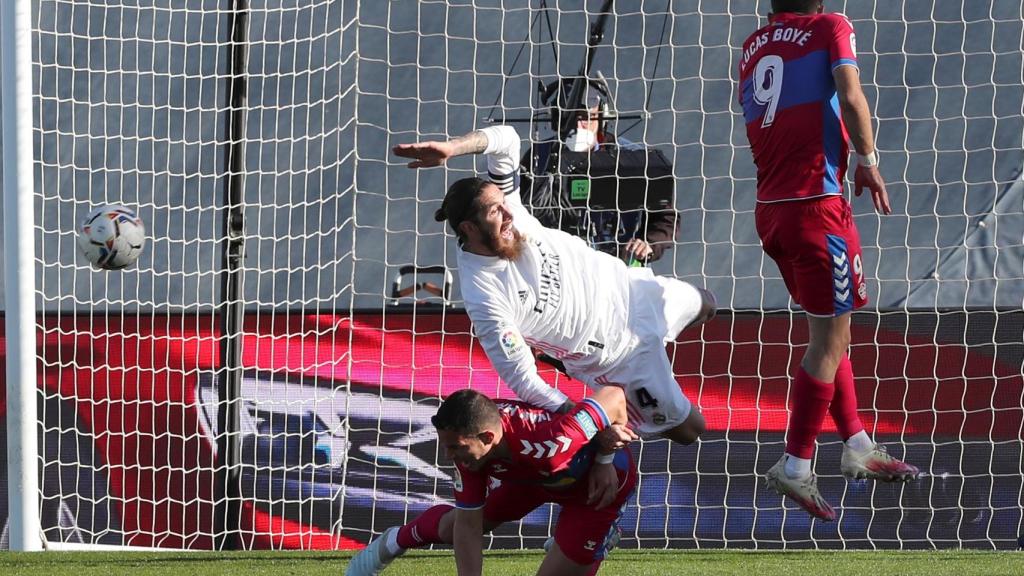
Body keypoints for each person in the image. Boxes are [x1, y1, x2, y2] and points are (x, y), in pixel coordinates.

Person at [392, 124, 714, 450]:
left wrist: (452, 147)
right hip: (620, 357)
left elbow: (507, 140)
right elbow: (524, 380)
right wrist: (587, 422)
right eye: (495, 212)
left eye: (504, 204)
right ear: (469, 228)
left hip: (633, 290)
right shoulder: (484, 295)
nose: (508, 214)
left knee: (707, 304)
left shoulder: (510, 210)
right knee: (691, 430)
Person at [737, 0, 919, 521]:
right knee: (828, 341)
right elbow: (850, 92)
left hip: (771, 210)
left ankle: (858, 443)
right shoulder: (831, 26)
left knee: (831, 334)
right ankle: (795, 466)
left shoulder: (752, 46)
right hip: (817, 209)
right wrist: (868, 161)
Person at [345, 385, 637, 576]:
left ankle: (591, 539)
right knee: (454, 526)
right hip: (529, 480)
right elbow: (469, 527)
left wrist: (604, 459)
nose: (449, 456)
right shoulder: (472, 448)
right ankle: (391, 543)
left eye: (456, 447)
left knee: (571, 559)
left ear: (487, 438)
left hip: (594, 491)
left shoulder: (555, 440)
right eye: (446, 446)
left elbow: (614, 396)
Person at [520, 77, 679, 266]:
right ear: (557, 118)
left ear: (602, 116)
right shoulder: (540, 156)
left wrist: (649, 243)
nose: (579, 125)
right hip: (558, 265)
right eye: (571, 117)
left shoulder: (631, 158)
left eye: (587, 117)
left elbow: (666, 217)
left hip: (620, 265)